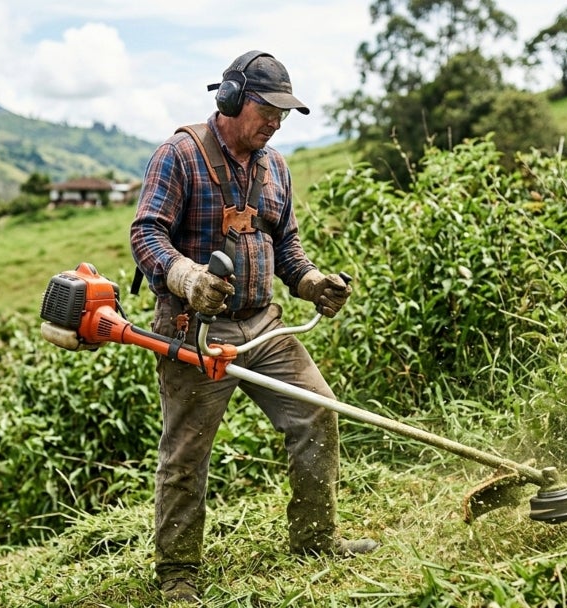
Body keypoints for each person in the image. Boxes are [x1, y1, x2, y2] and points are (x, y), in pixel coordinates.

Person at [130, 50, 378, 603]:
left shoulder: (275, 167)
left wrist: (312, 281)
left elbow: (285, 244)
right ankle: (177, 573)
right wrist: (188, 278)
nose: (275, 122)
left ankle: (315, 538)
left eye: (283, 114)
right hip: (195, 331)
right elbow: (146, 234)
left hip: (264, 327)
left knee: (318, 411)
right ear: (232, 99)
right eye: (267, 109)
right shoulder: (181, 155)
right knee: (186, 453)